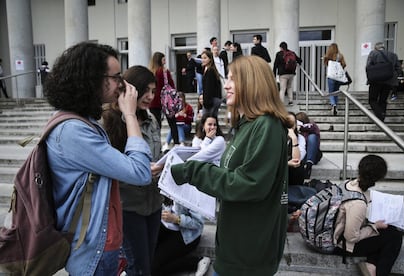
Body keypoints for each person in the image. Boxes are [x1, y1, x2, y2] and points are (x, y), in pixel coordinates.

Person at [170, 55, 291, 275]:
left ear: (252, 82)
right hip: (233, 247)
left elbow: (249, 184)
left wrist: (192, 171)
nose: (226, 85)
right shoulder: (247, 125)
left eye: (233, 79)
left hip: (248, 256)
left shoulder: (267, 126)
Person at [43, 42, 152, 275]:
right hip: (93, 251)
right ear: (91, 80)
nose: (121, 84)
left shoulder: (84, 122)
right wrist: (130, 114)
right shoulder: (73, 131)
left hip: (104, 243)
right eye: (115, 77)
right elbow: (140, 173)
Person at [101, 65, 163, 276]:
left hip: (154, 203)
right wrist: (139, 169)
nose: (150, 96)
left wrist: (163, 165)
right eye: (146, 90)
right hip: (128, 206)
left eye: (154, 91)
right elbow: (111, 167)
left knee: (148, 260)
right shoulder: (110, 121)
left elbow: (156, 153)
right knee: (138, 265)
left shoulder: (151, 119)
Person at [152, 113, 225, 276]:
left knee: (154, 267)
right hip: (168, 229)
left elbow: (198, 224)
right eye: (209, 124)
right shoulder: (162, 184)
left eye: (214, 125)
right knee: (148, 256)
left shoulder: (186, 185)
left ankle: (197, 262)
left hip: (186, 233)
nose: (212, 128)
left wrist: (175, 219)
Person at [333, 154, 403, 276]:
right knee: (394, 237)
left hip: (337, 232)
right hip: (341, 244)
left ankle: (371, 265)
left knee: (389, 232)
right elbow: (351, 237)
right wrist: (374, 227)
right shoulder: (358, 204)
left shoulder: (347, 183)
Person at [149, 51, 180, 145]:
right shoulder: (164, 71)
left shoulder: (151, 72)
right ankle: (176, 143)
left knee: (156, 125)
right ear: (160, 60)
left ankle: (156, 144)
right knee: (172, 123)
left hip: (154, 101)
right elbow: (172, 85)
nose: (165, 61)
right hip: (167, 101)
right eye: (163, 59)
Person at [366, 42, 400, 122]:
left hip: (375, 80)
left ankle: (380, 114)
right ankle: (381, 117)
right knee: (383, 100)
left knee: (372, 99)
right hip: (389, 81)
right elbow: (398, 68)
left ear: (376, 48)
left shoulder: (373, 54)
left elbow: (368, 66)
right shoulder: (393, 55)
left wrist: (370, 77)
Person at [296, 111, 323, 179]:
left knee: (312, 136)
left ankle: (308, 166)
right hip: (300, 154)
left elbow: (312, 127)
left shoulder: (312, 127)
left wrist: (301, 128)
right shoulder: (294, 129)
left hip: (312, 155)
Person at [324, 43, 346, 115]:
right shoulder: (340, 56)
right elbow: (344, 64)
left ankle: (333, 104)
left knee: (331, 92)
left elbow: (326, 64)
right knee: (336, 92)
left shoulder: (328, 56)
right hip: (338, 77)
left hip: (331, 77)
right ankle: (335, 105)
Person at [287, 112, 306, 186]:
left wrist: (294, 139)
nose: (289, 126)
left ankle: (295, 189)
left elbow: (297, 160)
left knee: (300, 166)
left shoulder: (300, 138)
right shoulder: (274, 136)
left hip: (292, 172)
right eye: (287, 122)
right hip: (278, 169)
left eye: (292, 123)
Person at [201, 50, 222, 118]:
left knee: (207, 121)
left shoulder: (210, 71)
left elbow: (208, 88)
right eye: (202, 58)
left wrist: (206, 103)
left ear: (210, 59)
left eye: (205, 58)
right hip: (214, 99)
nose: (203, 60)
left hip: (211, 100)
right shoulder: (209, 69)